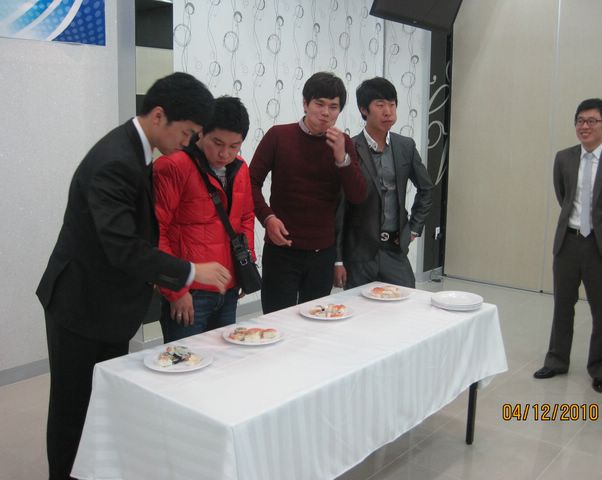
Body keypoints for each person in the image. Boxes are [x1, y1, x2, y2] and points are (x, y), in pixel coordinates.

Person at [36, 72, 230, 480]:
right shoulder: (115, 161)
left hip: (109, 304)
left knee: (102, 401)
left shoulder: (136, 150)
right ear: (159, 115)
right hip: (80, 304)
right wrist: (190, 271)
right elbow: (122, 247)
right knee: (73, 408)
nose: (188, 142)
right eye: (187, 132)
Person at [534, 98, 602, 393]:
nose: (584, 126)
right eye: (580, 120)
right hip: (568, 241)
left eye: (592, 121)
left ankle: (601, 369)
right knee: (562, 305)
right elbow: (563, 195)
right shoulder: (564, 158)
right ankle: (556, 360)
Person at [250, 71, 367, 313]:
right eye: (319, 104)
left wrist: (341, 158)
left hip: (322, 253)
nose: (326, 113)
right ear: (305, 104)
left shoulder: (343, 142)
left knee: (315, 324)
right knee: (276, 320)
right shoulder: (278, 136)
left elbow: (358, 196)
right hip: (281, 250)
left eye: (333, 107)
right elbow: (249, 183)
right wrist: (267, 218)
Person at [154, 96, 254, 341]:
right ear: (201, 132)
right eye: (217, 143)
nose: (224, 153)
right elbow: (156, 231)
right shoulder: (172, 166)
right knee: (184, 360)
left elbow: (245, 218)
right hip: (191, 292)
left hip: (228, 288)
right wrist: (175, 289)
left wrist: (245, 267)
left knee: (225, 358)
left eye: (234, 146)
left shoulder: (240, 168)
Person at [334, 77, 433, 289]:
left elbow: (426, 188)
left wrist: (414, 228)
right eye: (380, 105)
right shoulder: (351, 147)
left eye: (392, 104)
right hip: (359, 253)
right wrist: (338, 259)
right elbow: (340, 207)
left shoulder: (405, 146)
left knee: (406, 301)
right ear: (364, 110)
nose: (388, 111)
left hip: (395, 248)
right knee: (358, 307)